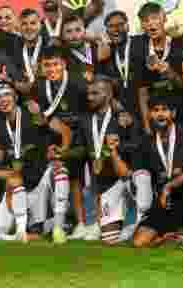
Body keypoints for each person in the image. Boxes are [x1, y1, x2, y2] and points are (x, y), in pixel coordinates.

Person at [0, 83, 72, 243]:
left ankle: (59, 226)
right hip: (23, 185)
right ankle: (39, 226)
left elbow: (65, 131)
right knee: (35, 231)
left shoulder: (32, 112)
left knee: (60, 170)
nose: (3, 100)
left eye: (7, 94)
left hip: (42, 177)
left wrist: (61, 151)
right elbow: (0, 154)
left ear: (15, 97)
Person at [131, 96, 183, 253]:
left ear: (173, 113)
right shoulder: (146, 142)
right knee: (139, 242)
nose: (160, 114)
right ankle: (172, 236)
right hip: (164, 202)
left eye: (164, 110)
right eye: (155, 110)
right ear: (149, 115)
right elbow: (136, 174)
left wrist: (169, 186)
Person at [29, 45, 90, 239]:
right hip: (53, 137)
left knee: (77, 179)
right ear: (41, 67)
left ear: (64, 64)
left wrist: (69, 142)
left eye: (55, 64)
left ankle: (81, 222)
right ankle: (53, 223)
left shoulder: (78, 83)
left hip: (81, 135)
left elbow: (88, 112)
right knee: (57, 175)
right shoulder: (38, 86)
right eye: (47, 65)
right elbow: (40, 121)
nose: (51, 69)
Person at [75, 77, 136, 244]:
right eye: (89, 93)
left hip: (124, 180)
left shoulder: (124, 118)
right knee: (109, 239)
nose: (90, 97)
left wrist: (118, 147)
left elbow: (138, 144)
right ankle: (97, 221)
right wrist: (64, 153)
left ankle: (133, 221)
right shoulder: (85, 120)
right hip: (101, 179)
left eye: (95, 93)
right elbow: (80, 146)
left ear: (109, 95)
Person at [132, 3, 183, 133]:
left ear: (164, 18)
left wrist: (169, 72)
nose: (150, 24)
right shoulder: (138, 48)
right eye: (145, 21)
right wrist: (146, 123)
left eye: (155, 18)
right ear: (142, 25)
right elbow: (142, 91)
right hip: (159, 119)